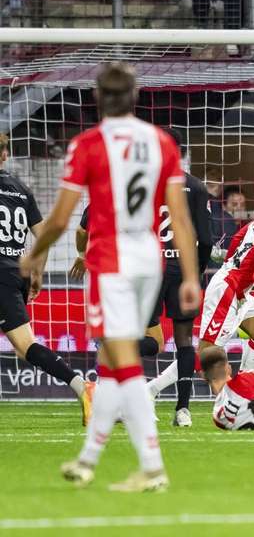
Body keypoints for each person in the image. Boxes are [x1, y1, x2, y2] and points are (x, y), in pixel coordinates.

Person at [19, 62, 201, 491]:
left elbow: (63, 218)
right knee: (111, 362)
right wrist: (191, 276)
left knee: (124, 363)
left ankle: (153, 467)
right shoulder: (160, 142)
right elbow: (180, 216)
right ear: (136, 98)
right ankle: (87, 460)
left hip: (112, 260)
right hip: (149, 258)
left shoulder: (88, 144)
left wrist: (35, 256)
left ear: (97, 99)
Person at [74, 129, 213, 428]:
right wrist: (196, 270)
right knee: (184, 340)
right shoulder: (196, 187)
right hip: (180, 272)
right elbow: (206, 239)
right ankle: (183, 410)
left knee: (147, 340)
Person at [147, 183, 254, 413]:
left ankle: (242, 390)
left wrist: (231, 263)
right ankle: (150, 390)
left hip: (240, 291)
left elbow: (239, 236)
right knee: (206, 353)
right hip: (228, 291)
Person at [0, 133, 91, 425]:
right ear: (4, 155)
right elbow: (43, 236)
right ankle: (82, 386)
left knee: (26, 347)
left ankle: (83, 387)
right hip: (14, 274)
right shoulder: (21, 190)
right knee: (25, 346)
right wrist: (36, 274)